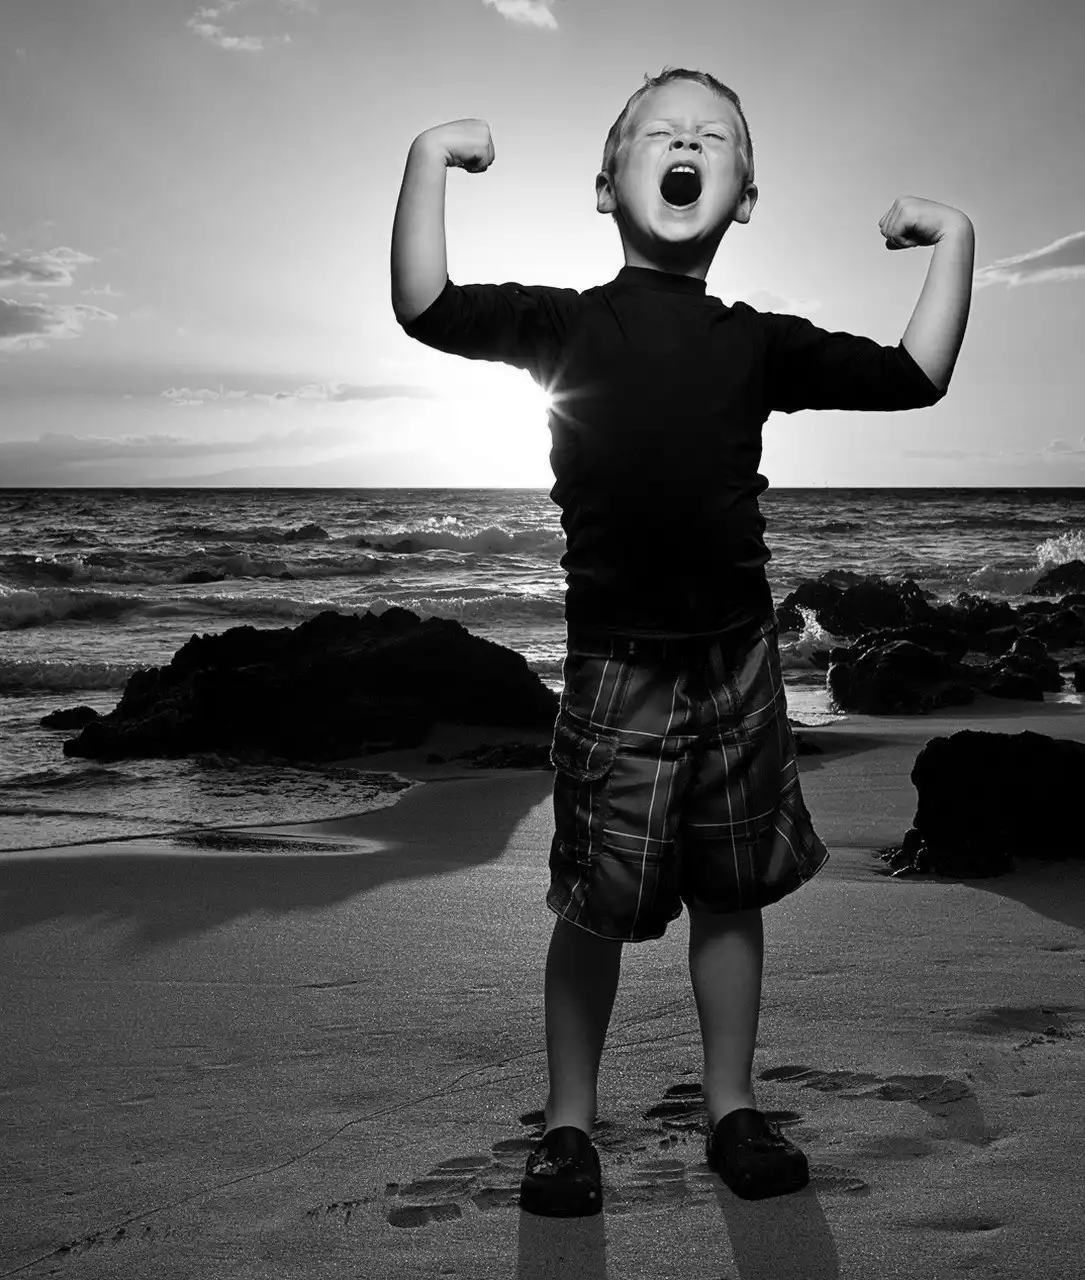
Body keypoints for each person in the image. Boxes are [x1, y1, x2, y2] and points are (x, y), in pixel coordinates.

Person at [389, 67, 973, 1213]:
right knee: (592, 902)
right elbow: (425, 303)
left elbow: (917, 375)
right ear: (606, 182)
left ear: (743, 197)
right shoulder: (561, 323)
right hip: (617, 662)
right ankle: (567, 1126)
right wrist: (427, 158)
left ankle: (732, 1108)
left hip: (738, 657)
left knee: (732, 891)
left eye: (715, 137)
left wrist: (953, 236)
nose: (687, 140)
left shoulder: (755, 343)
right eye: (659, 131)